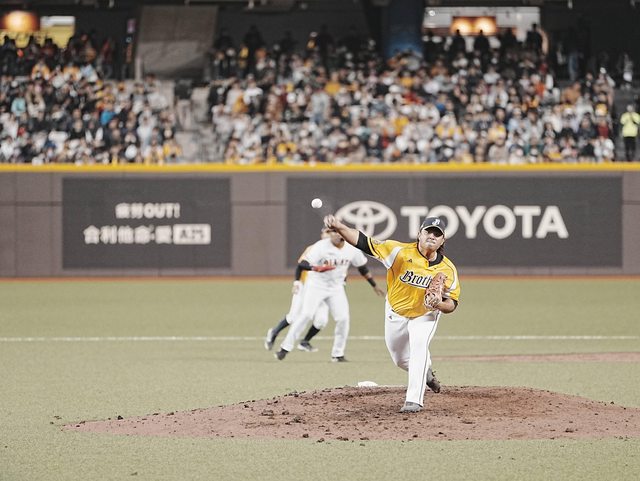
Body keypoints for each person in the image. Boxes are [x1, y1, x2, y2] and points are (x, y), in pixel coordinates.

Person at [322, 214, 460, 413]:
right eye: (428, 231)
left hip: (425, 314)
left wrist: (439, 304)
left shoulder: (448, 269)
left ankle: (414, 400)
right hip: (396, 311)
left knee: (419, 347)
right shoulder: (397, 251)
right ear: (419, 234)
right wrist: (338, 226)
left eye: (437, 234)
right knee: (400, 359)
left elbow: (452, 303)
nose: (432, 236)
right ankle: (426, 374)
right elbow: (363, 241)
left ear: (442, 240)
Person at [273, 228, 385, 362]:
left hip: (336, 288)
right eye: (332, 232)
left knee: (343, 318)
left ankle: (337, 354)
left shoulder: (351, 248)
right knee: (306, 315)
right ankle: (284, 348)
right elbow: (302, 265)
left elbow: (362, 267)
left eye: (337, 231)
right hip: (316, 285)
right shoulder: (321, 246)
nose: (335, 234)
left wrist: (374, 285)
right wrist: (316, 268)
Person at [264, 228, 334, 352]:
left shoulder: (337, 252)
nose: (328, 235)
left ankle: (304, 342)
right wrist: (296, 282)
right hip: (305, 287)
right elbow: (301, 265)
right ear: (322, 234)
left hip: (322, 290)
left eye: (330, 232)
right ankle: (274, 332)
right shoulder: (313, 248)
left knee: (321, 321)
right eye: (326, 232)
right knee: (293, 317)